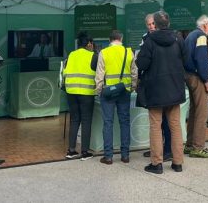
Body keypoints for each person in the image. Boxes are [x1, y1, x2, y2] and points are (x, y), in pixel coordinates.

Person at [136, 10, 186, 174]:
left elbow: (142, 64)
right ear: (169, 23)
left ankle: (157, 163)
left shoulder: (149, 41)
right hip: (175, 88)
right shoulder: (178, 39)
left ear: (155, 25)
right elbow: (185, 60)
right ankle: (177, 163)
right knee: (175, 126)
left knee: (155, 127)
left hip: (155, 90)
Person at [95, 30, 137, 165]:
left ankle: (108, 156)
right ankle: (125, 155)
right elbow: (134, 73)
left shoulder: (104, 53)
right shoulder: (128, 52)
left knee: (108, 123)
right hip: (124, 91)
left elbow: (99, 75)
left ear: (109, 40)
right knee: (124, 122)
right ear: (121, 39)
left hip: (108, 92)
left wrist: (99, 90)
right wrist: (132, 87)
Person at [183, 15, 208, 159]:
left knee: (193, 111)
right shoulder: (201, 37)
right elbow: (200, 60)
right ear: (205, 25)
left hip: (188, 75)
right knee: (202, 113)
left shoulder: (191, 35)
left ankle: (190, 144)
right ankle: (198, 147)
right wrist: (206, 80)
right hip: (197, 77)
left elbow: (193, 57)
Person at [139, 14, 173, 162]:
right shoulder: (145, 38)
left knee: (166, 122)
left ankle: (167, 151)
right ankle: (156, 149)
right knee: (156, 123)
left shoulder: (170, 37)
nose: (151, 26)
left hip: (164, 84)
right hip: (153, 84)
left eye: (153, 24)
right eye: (149, 24)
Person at [62, 32, 96, 161]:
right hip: (86, 93)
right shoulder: (93, 55)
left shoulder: (71, 55)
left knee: (74, 120)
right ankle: (85, 152)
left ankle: (71, 150)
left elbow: (65, 71)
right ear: (89, 44)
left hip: (71, 92)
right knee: (86, 121)